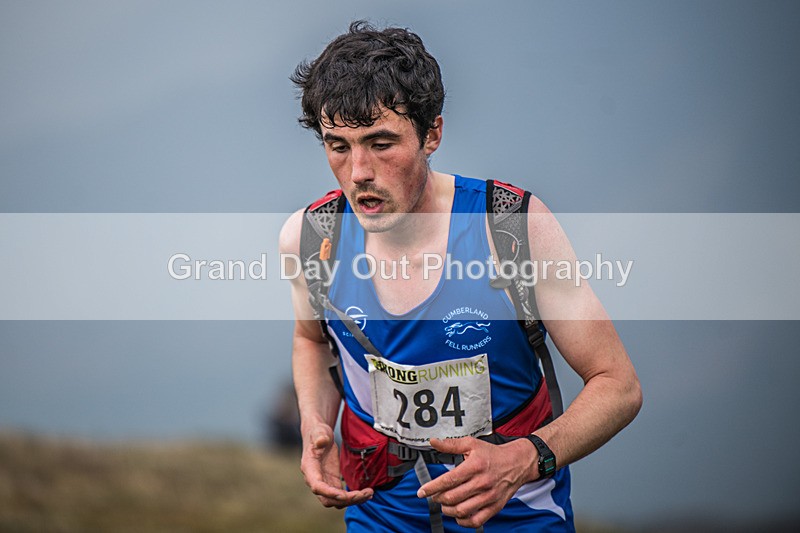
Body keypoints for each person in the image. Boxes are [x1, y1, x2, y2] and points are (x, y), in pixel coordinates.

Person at [280, 21, 642, 532]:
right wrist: (315, 422)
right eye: (338, 145)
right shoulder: (311, 237)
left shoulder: (511, 227)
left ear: (432, 134)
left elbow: (619, 387)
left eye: (381, 143)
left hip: (519, 517)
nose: (359, 170)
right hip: (380, 514)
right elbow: (312, 341)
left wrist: (524, 459)